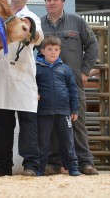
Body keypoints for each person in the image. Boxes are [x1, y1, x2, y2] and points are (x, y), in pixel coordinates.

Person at [0, 0, 44, 177]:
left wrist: (30, 31)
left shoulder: (31, 17)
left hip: (22, 75)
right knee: (3, 123)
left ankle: (31, 165)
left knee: (28, 121)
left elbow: (38, 38)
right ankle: (1, 166)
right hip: (1, 75)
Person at [39, 0, 99, 175]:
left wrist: (85, 71)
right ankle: (54, 163)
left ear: (63, 2)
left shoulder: (77, 21)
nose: (52, 2)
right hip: (48, 86)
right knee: (53, 124)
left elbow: (92, 44)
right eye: (48, 0)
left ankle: (85, 162)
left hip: (73, 83)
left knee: (77, 122)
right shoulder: (39, 24)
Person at [36, 35, 81, 176]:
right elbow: (31, 86)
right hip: (43, 111)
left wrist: (74, 109)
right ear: (43, 51)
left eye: (56, 49)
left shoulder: (66, 69)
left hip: (64, 112)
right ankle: (39, 169)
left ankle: (72, 168)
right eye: (49, 49)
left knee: (67, 141)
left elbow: (73, 90)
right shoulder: (36, 68)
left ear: (60, 51)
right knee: (42, 142)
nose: (53, 52)